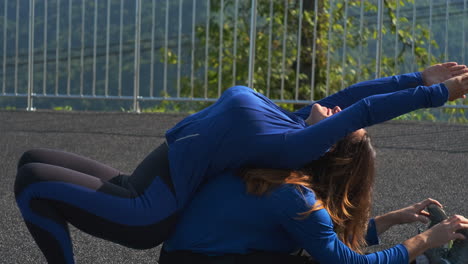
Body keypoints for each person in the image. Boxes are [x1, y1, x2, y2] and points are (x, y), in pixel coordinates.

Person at [14, 62, 468, 264]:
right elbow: (353, 99)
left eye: (342, 124)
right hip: (144, 181)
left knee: (34, 185)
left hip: (150, 209)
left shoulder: (296, 150)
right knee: (31, 159)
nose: (335, 112)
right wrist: (415, 77)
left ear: (329, 146)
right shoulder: (289, 127)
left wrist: (437, 96)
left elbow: (364, 111)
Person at [159, 146, 468, 263]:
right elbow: (348, 263)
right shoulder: (298, 199)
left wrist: (391, 219)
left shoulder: (294, 181)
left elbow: (328, 240)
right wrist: (425, 240)